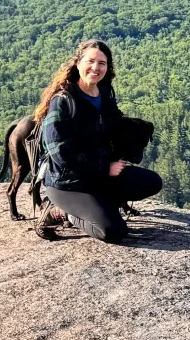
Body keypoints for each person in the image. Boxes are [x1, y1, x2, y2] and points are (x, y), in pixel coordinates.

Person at [33, 38, 162, 242]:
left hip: (97, 176)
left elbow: (112, 123)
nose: (96, 68)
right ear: (77, 63)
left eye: (102, 63)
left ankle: (100, 204)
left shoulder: (104, 92)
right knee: (113, 231)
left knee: (152, 182)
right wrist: (104, 167)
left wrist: (134, 131)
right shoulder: (63, 101)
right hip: (67, 183)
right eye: (90, 61)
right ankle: (58, 211)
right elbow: (60, 152)